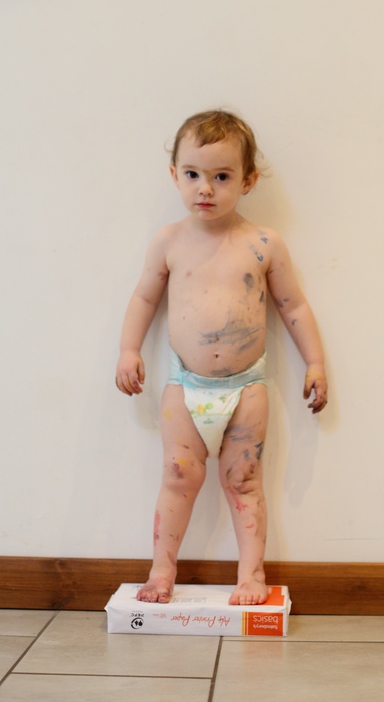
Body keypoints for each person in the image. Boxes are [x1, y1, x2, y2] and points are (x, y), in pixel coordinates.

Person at [115, 110, 328, 606]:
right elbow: (143, 298)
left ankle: (251, 575)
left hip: (246, 387)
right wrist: (128, 349)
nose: (205, 188)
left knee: (245, 481)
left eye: (222, 176)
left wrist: (315, 363)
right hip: (184, 386)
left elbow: (293, 306)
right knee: (178, 476)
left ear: (248, 180)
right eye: (192, 174)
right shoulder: (169, 242)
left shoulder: (263, 244)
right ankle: (162, 571)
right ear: (175, 175)